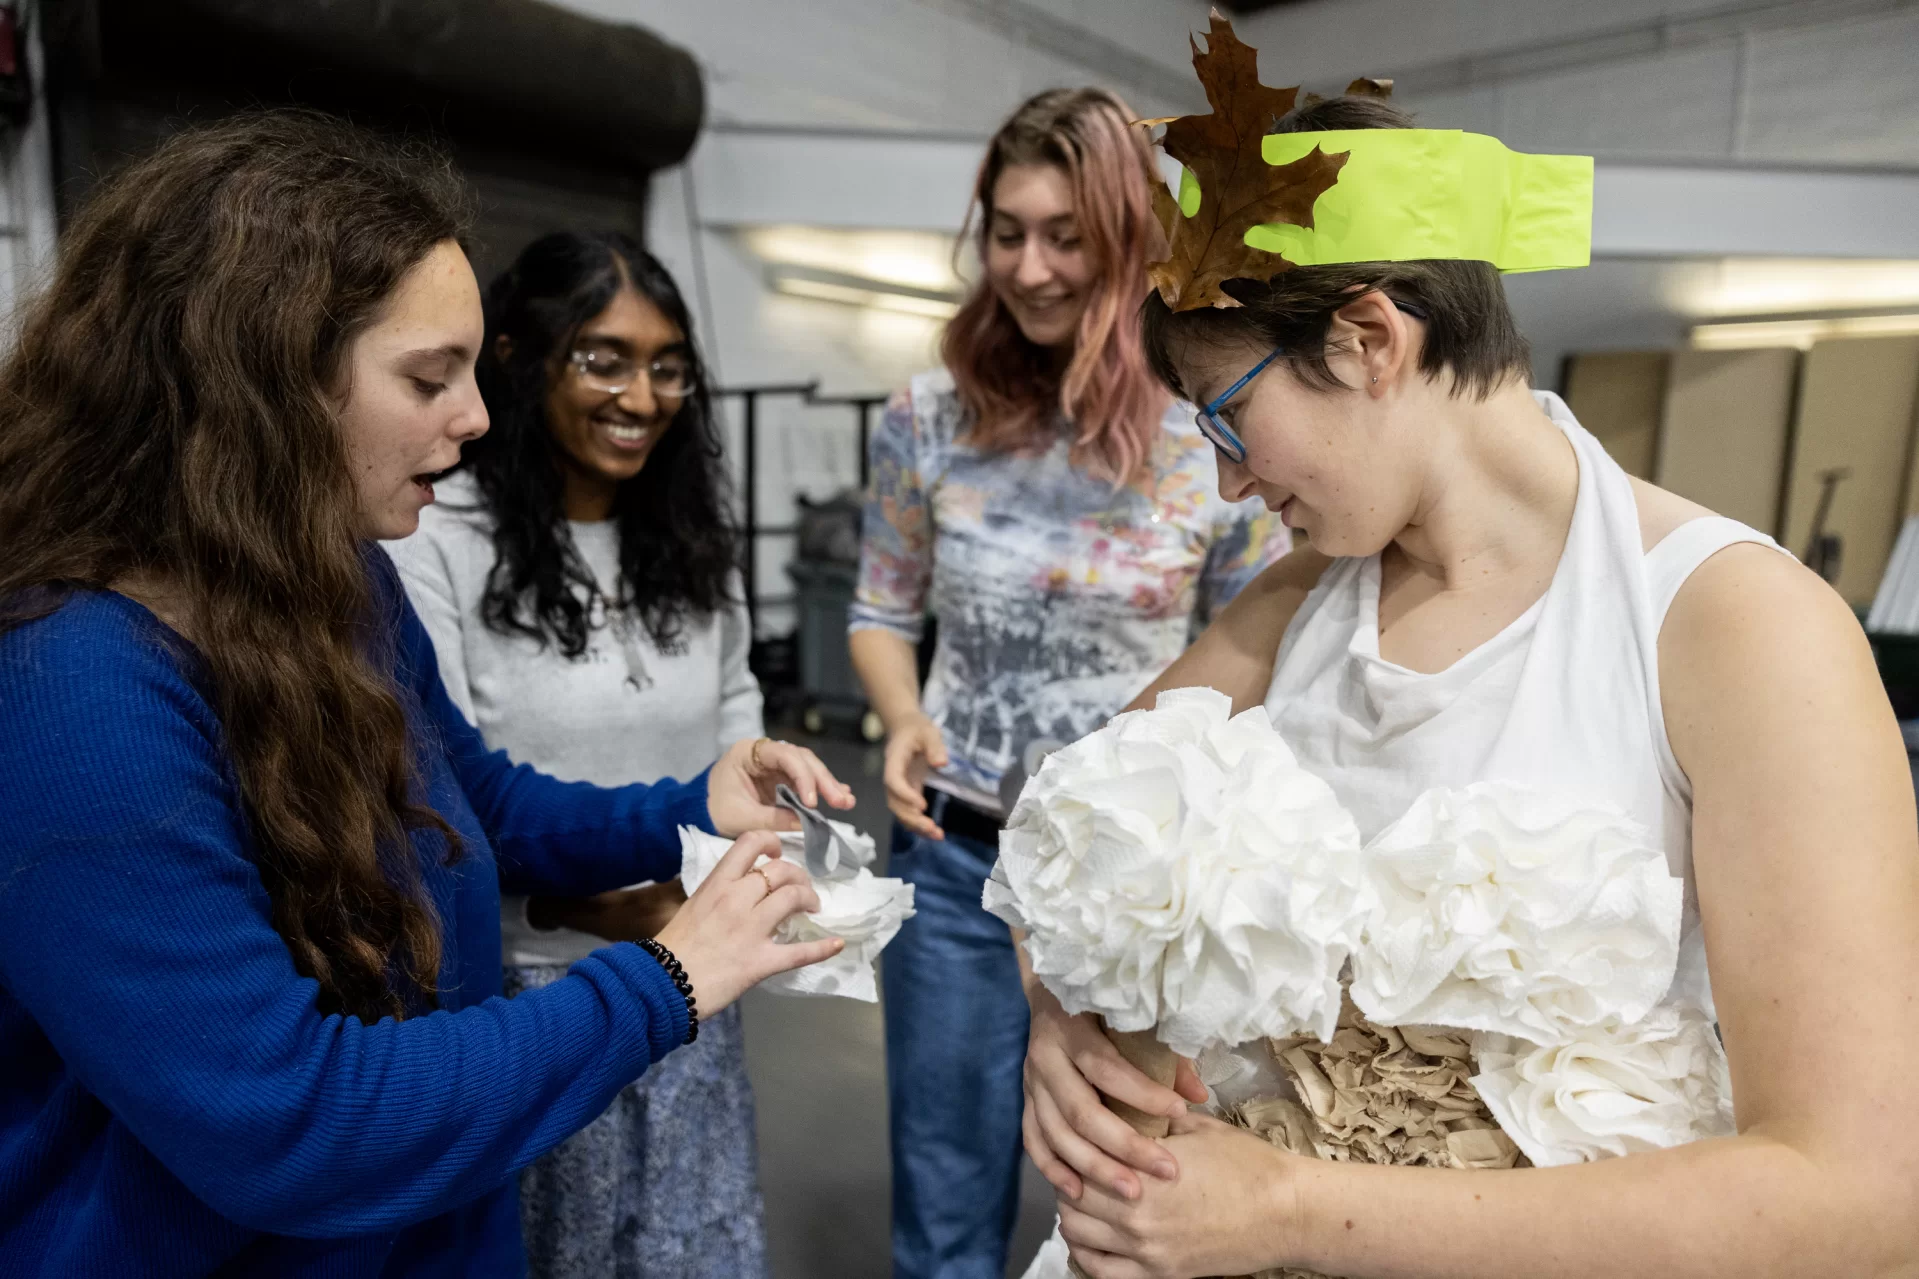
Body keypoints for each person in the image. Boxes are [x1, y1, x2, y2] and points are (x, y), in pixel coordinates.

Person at [1017, 89, 1919, 1279]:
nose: (1229, 484)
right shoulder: (1295, 605)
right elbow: (1063, 850)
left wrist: (1290, 1209)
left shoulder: (1732, 629)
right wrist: (1063, 1019)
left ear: (1369, 340)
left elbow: (1853, 1200)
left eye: (1230, 418)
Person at [0, 111, 856, 1277]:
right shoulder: (77, 696)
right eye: (428, 376)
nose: (478, 417)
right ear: (266, 380)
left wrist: (688, 801)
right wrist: (663, 980)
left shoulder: (338, 577)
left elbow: (472, 800)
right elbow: (290, 1120)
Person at [848, 87, 1290, 1278]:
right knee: (942, 1190)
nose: (1027, 267)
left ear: (1126, 239)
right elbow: (881, 610)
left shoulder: (1210, 435)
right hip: (953, 856)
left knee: (1118, 1201)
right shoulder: (924, 418)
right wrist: (899, 716)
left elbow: (1256, 665)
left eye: (1064, 234)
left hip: (1130, 897)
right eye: (1004, 230)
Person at [385, 230, 769, 1278]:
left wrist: (731, 883)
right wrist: (601, 911)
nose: (640, 395)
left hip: (693, 974)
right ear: (518, 357)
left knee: (688, 1244)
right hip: (528, 1003)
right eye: (603, 357)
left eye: (666, 364)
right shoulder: (432, 536)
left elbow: (737, 718)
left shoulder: (690, 535)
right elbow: (453, 802)